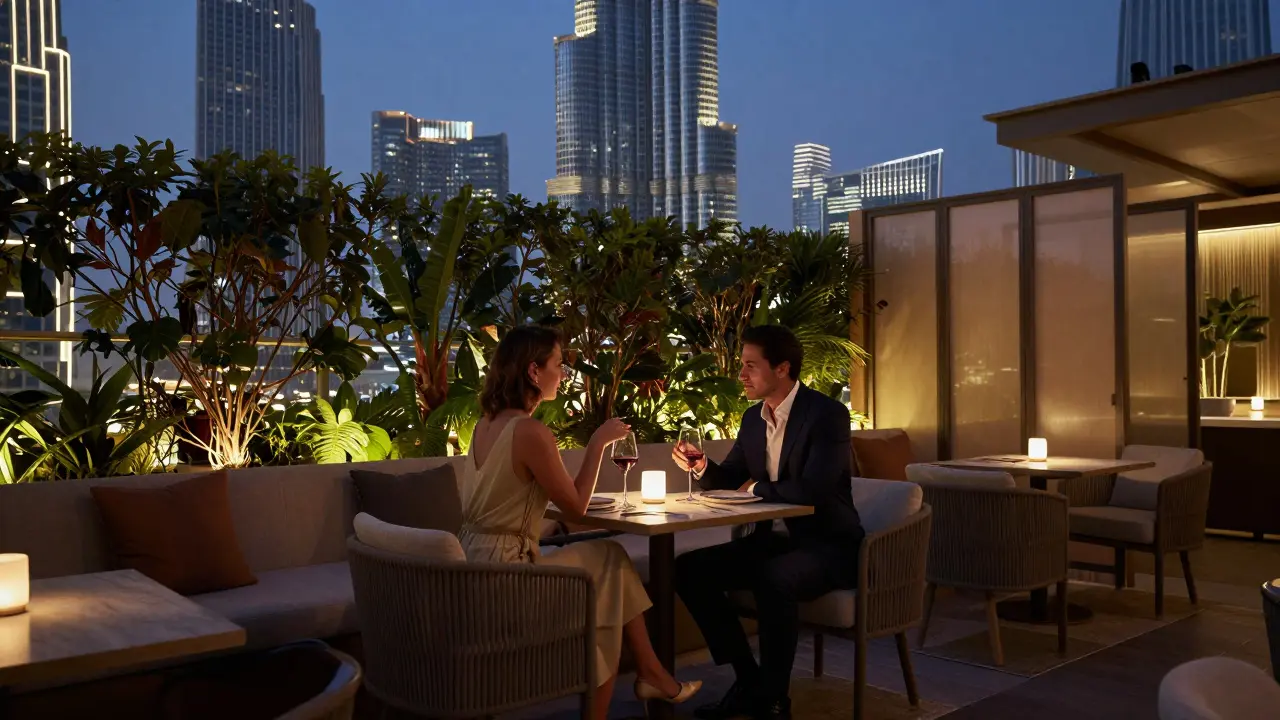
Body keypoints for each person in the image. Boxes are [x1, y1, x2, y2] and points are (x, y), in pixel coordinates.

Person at [459, 325, 701, 720]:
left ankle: (651, 671)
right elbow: (574, 509)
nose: (564, 374)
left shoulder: (484, 425)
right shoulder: (530, 432)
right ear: (534, 372)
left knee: (607, 568)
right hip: (507, 580)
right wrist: (597, 445)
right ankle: (650, 673)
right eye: (559, 364)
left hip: (471, 567)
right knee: (608, 575)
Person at [672, 325, 861, 720]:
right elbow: (732, 480)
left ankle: (774, 700)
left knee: (774, 578)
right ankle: (748, 679)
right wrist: (703, 465)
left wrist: (754, 486)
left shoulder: (826, 415)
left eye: (750, 365)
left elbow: (814, 490)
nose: (741, 374)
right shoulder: (753, 418)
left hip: (827, 545)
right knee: (688, 569)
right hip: (771, 540)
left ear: (782, 369)